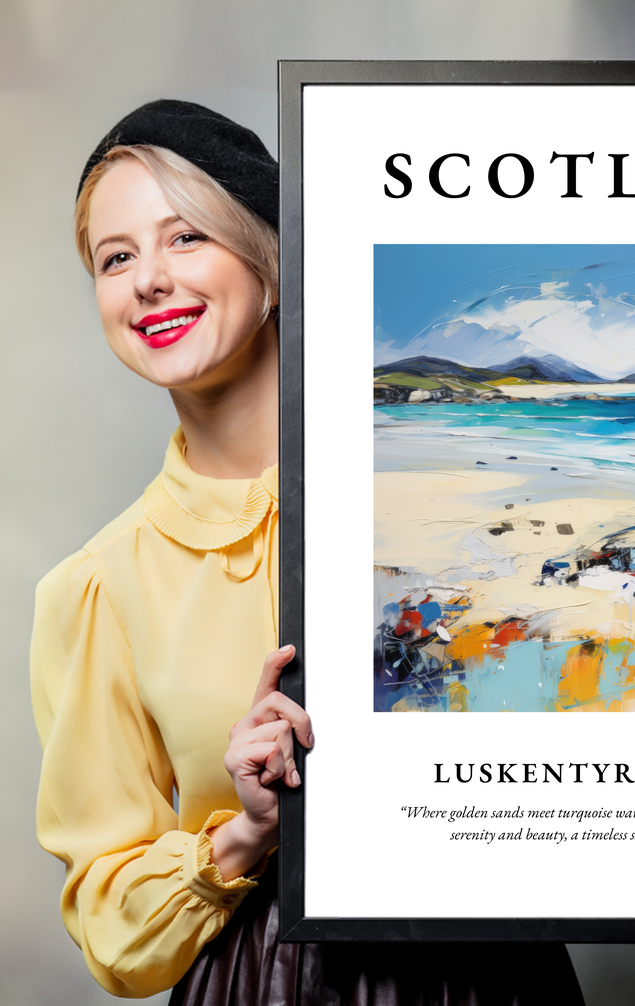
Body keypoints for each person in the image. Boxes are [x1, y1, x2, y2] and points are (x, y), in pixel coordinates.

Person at [30, 100, 585, 1004]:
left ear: (273, 264)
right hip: (263, 981)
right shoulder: (97, 587)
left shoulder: (449, 500)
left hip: (493, 972)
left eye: (186, 239)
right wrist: (245, 832)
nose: (148, 281)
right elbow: (110, 925)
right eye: (116, 257)